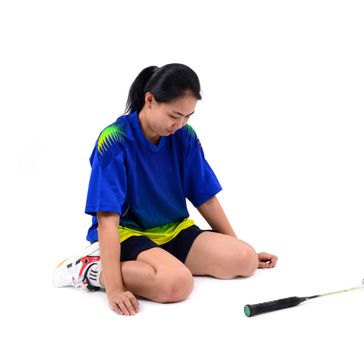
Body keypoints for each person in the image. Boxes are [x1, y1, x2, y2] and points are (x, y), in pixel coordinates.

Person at [53, 63, 278, 316]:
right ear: (150, 100)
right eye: (174, 116)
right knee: (177, 285)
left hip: (173, 230)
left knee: (245, 260)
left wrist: (236, 245)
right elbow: (107, 219)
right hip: (128, 233)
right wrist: (114, 288)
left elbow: (205, 197)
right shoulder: (114, 139)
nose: (180, 124)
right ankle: (92, 269)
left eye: (187, 116)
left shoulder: (185, 136)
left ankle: (161, 263)